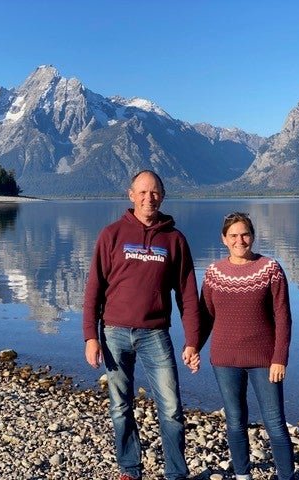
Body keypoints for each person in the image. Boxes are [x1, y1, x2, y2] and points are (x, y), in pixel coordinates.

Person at [83, 170, 201, 480]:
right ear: (131, 195)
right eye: (143, 192)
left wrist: (192, 340)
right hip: (113, 334)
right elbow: (93, 288)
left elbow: (188, 294)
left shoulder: (174, 239)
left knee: (172, 409)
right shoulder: (111, 234)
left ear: (163, 195)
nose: (149, 198)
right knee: (120, 408)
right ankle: (129, 469)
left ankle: (176, 473)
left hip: (155, 335)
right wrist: (90, 337)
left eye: (155, 192)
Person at [198, 212, 295, 480]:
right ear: (224, 239)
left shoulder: (270, 269)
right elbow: (205, 316)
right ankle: (242, 475)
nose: (240, 240)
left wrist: (280, 358)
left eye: (245, 234)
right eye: (234, 235)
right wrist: (193, 346)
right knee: (235, 421)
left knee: (275, 423)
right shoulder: (213, 273)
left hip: (264, 360)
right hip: (224, 359)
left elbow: (283, 317)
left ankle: (286, 476)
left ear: (252, 236)